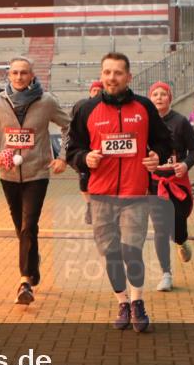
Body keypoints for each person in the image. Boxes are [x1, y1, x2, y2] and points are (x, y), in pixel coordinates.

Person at [67, 52, 171, 333]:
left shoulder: (144, 107)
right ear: (102, 76)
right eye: (107, 72)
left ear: (128, 77)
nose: (112, 77)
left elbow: (164, 141)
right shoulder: (86, 109)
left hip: (135, 194)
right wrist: (84, 158)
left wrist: (155, 156)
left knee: (131, 250)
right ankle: (122, 302)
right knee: (110, 253)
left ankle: (137, 301)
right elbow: (71, 150)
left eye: (118, 73)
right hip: (100, 195)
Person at [0, 57, 71, 305]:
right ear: (8, 75)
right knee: (21, 227)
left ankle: (24, 281)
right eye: (15, 73)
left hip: (37, 173)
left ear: (31, 75)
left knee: (28, 224)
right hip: (7, 175)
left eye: (24, 73)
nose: (19, 77)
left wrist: (63, 157)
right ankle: (33, 263)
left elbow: (69, 126)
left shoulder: (46, 101)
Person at [147, 82, 194, 292]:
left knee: (177, 227)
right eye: (155, 94)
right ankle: (166, 274)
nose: (159, 97)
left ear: (170, 98)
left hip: (177, 183)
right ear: (150, 98)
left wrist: (185, 164)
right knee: (160, 229)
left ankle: (182, 241)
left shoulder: (180, 122)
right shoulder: (146, 123)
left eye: (163, 94)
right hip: (154, 184)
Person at [71, 80, 103, 225]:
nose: (97, 92)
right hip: (85, 149)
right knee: (84, 181)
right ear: (90, 92)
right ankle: (90, 205)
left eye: (99, 89)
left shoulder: (108, 106)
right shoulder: (81, 105)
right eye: (94, 90)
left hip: (102, 150)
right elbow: (73, 126)